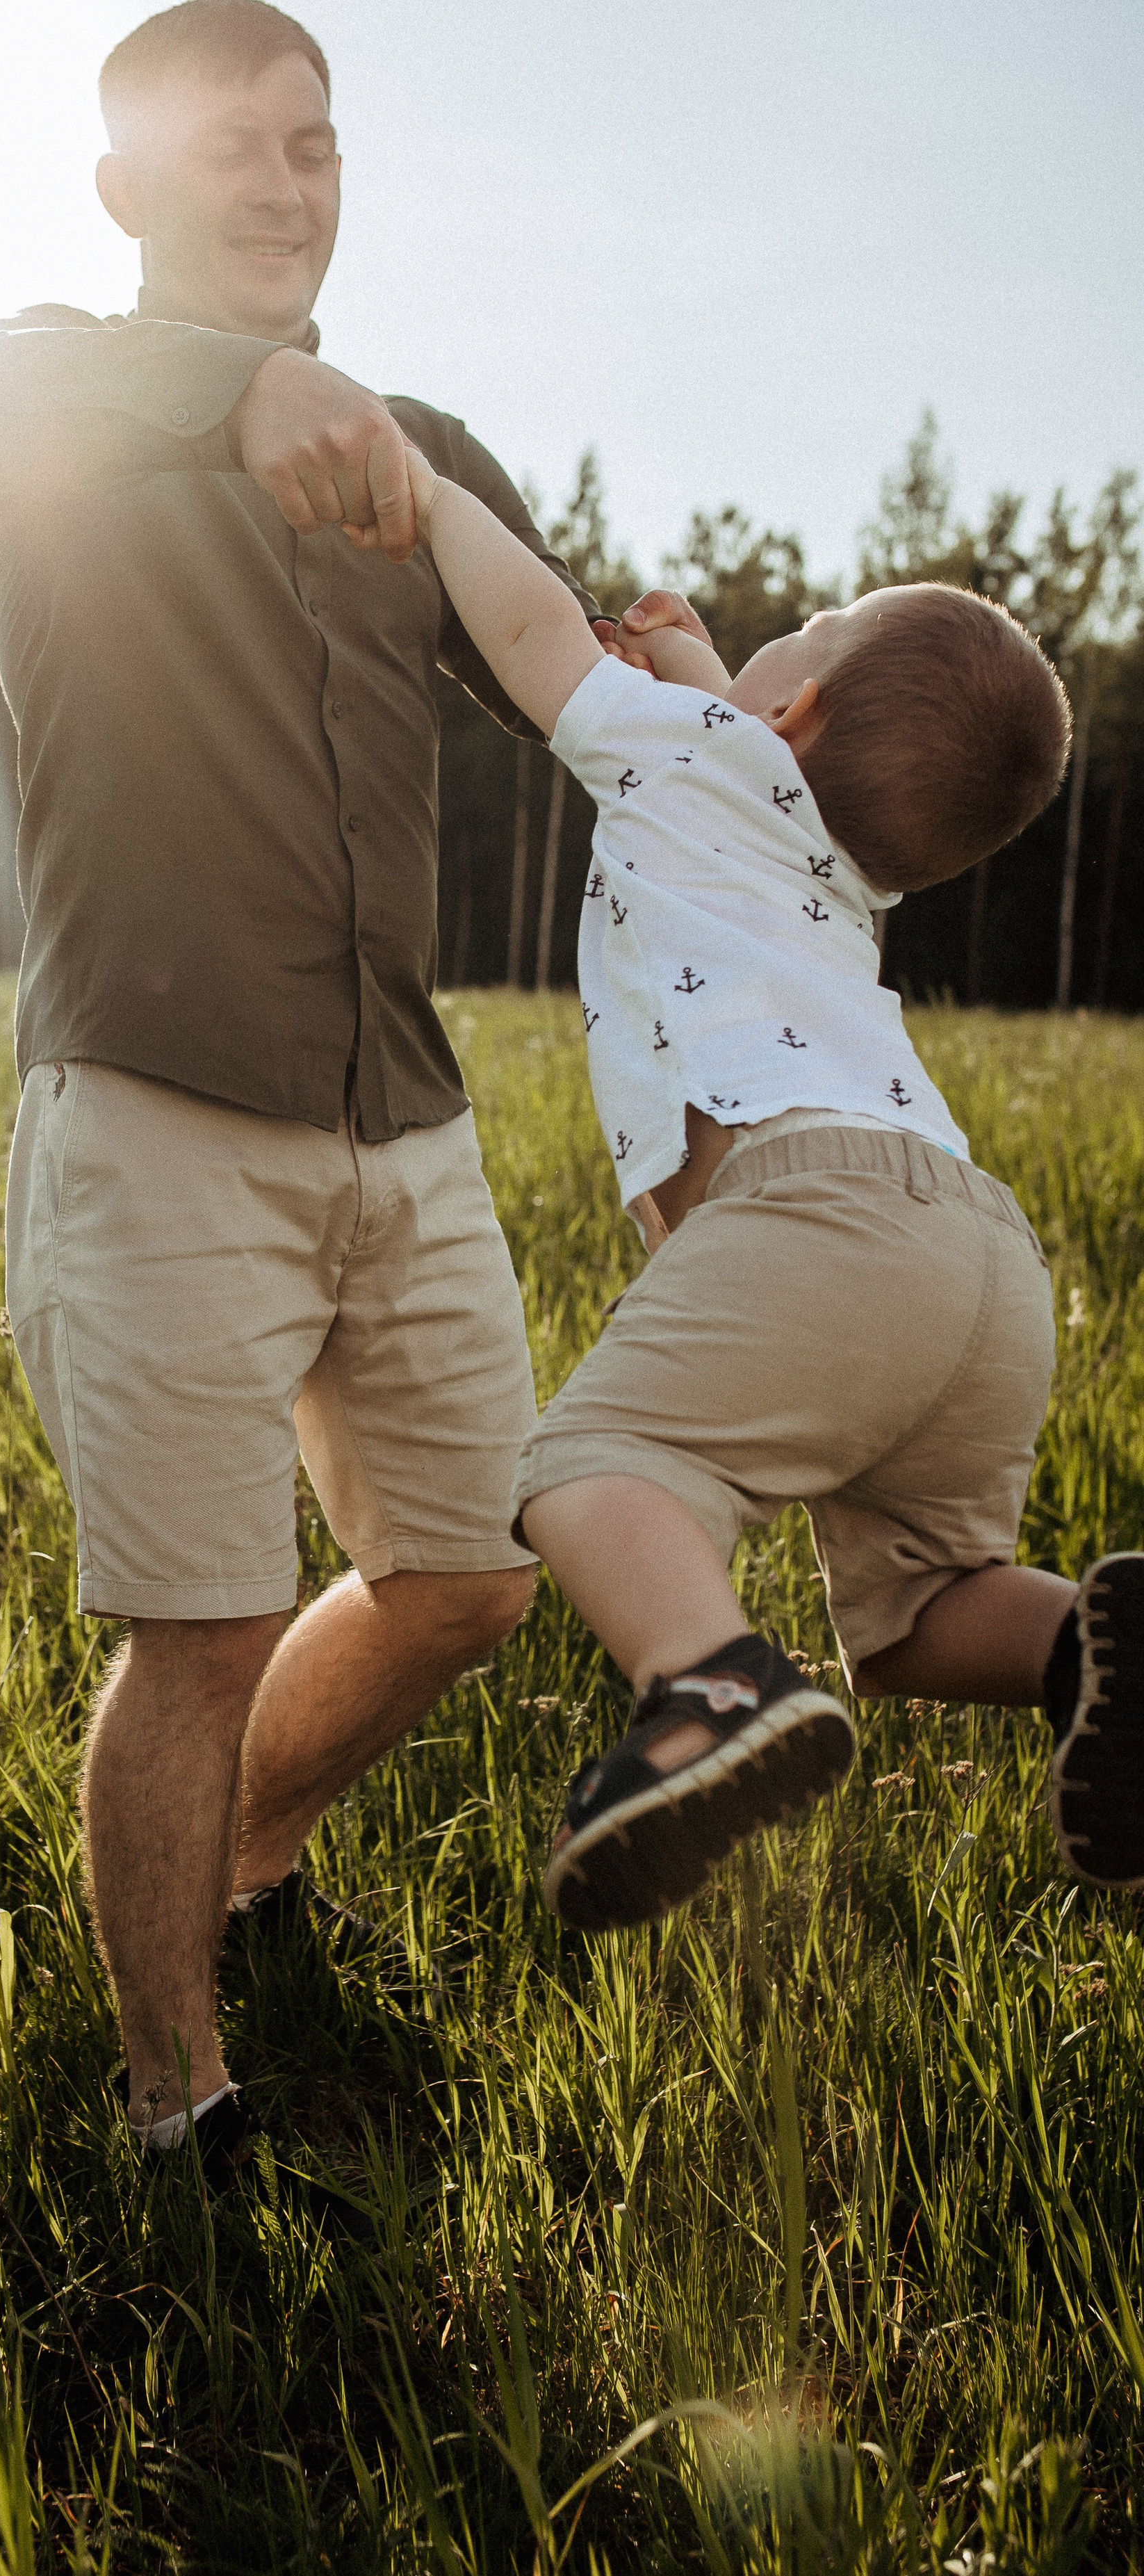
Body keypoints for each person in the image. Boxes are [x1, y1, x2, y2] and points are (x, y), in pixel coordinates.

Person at [0, 0, 607, 2169]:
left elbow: (561, 677)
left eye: (316, 146)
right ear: (127, 191)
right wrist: (229, 390)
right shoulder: (55, 396)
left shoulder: (421, 448)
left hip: (407, 1118)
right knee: (200, 1626)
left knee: (471, 1576)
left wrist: (684, 683)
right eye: (233, 151)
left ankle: (250, 1857)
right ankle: (173, 2105)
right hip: (159, 1101)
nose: (287, 188)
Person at [346, 441, 1143, 1932]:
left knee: (589, 1467)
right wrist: (704, 665)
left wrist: (440, 499)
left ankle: (708, 1683)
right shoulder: (842, 870)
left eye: (808, 629)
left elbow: (532, 638)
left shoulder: (699, 759)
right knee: (914, 1617)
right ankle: (1080, 1652)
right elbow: (759, 742)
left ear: (794, 709)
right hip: (979, 1258)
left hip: (818, 1209)